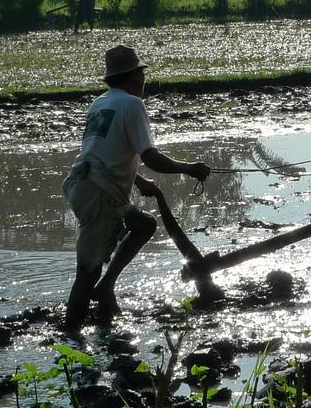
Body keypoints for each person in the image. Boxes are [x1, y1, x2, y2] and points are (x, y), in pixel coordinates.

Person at [62, 44, 210, 331]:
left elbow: (103, 150)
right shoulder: (132, 104)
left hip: (84, 184)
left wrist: (139, 182)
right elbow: (150, 155)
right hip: (101, 194)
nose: (144, 81)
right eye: (142, 75)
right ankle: (70, 340)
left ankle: (106, 287)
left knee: (143, 225)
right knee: (86, 272)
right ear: (132, 77)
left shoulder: (101, 103)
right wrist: (188, 168)